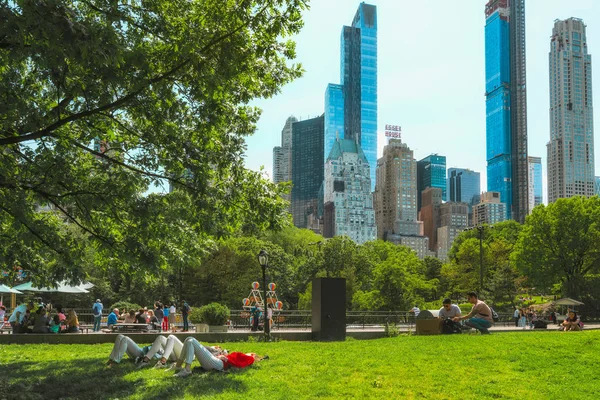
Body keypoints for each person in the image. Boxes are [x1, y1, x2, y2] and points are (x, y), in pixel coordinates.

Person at [172, 337, 258, 378]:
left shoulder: (250, 358)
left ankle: (186, 369)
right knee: (188, 339)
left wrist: (226, 358)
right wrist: (223, 354)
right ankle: (179, 365)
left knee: (191, 341)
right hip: (215, 361)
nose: (251, 353)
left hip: (218, 364)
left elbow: (239, 365)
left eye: (252, 353)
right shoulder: (244, 355)